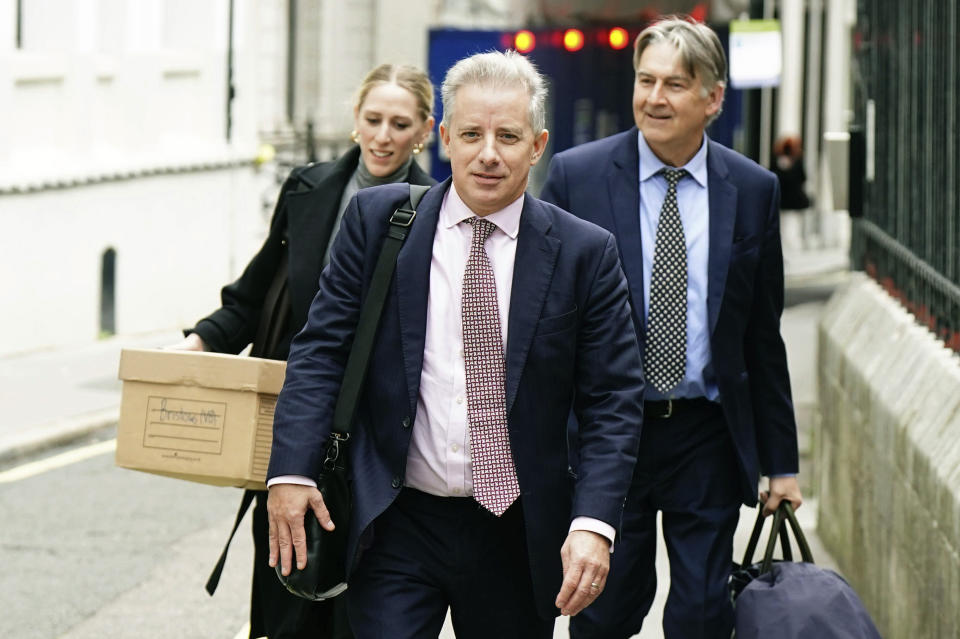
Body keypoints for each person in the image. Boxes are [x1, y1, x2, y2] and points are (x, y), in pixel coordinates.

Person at [265, 50, 644, 639]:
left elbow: (613, 401)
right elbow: (321, 352)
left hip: (515, 535)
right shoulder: (376, 223)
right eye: (471, 133)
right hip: (397, 521)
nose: (488, 153)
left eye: (508, 136)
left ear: (538, 144)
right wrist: (290, 471)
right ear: (443, 137)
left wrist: (594, 521)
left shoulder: (584, 253)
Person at [540, 17, 803, 639]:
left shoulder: (753, 190)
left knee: (703, 612)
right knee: (605, 609)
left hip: (704, 436)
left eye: (675, 84)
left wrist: (782, 463)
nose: (654, 98)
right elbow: (546, 320)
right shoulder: (577, 178)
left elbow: (762, 336)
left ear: (713, 98)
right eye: (645, 80)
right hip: (610, 434)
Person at [171, 63, 436, 639]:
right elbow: (251, 293)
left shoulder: (434, 209)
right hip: (294, 420)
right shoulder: (305, 189)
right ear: (355, 123)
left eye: (400, 123)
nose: (384, 136)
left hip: (375, 438)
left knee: (359, 603)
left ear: (424, 131)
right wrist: (195, 346)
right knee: (285, 600)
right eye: (373, 120)